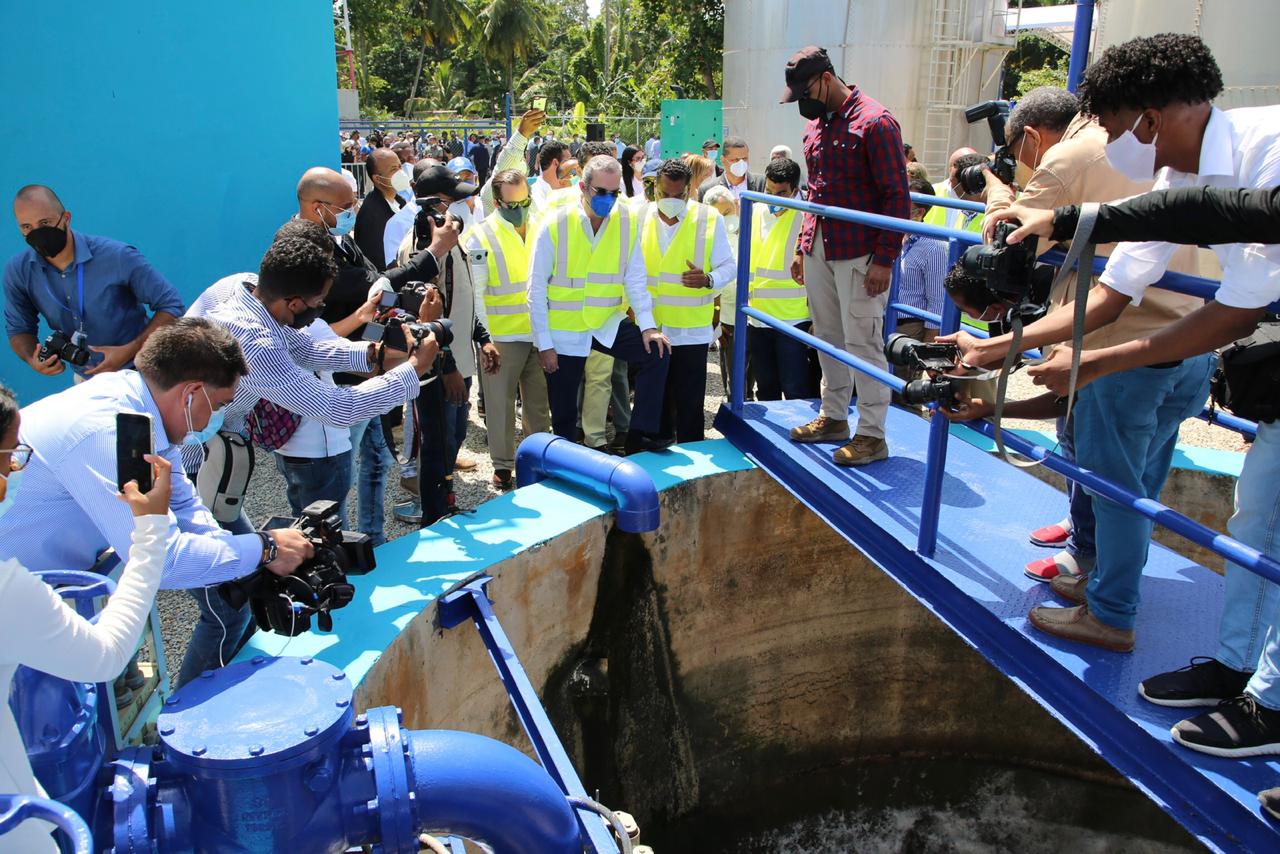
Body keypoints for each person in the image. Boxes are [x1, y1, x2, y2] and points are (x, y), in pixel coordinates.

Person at [973, 37, 1280, 758]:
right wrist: (1065, 228)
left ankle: (1268, 706)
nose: (1107, 148)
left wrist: (1093, 364)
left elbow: (1234, 309)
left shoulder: (1268, 152)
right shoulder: (1200, 167)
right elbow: (1146, 242)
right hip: (1224, 380)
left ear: (1146, 121)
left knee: (1127, 496)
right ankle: (1239, 671)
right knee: (1254, 527)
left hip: (1178, 358)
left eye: (1109, 132)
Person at [0, 319, 316, 688]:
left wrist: (237, 552)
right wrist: (266, 547)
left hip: (59, 576)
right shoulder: (106, 431)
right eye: (219, 405)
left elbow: (183, 501)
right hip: (20, 593)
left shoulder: (138, 406)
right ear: (191, 393)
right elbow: (162, 561)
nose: (218, 416)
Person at [0, 385, 175, 852]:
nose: (13, 472)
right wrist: (151, 533)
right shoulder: (7, 589)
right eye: (10, 459)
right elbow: (103, 656)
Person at [296, 166, 457, 545]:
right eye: (345, 205)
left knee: (377, 461)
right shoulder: (304, 250)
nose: (352, 210)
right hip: (336, 383)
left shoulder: (340, 241)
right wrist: (434, 251)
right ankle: (329, 558)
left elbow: (375, 287)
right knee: (335, 480)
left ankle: (371, 538)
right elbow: (365, 293)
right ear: (318, 207)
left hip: (365, 369)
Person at [780, 45, 910, 466]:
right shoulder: (816, 126)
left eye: (805, 92)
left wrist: (885, 258)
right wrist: (804, 244)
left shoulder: (876, 122)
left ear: (826, 78)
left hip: (860, 252)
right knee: (827, 337)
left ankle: (872, 434)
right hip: (821, 246)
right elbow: (814, 193)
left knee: (864, 343)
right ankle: (834, 416)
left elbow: (896, 195)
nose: (803, 102)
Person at [528, 154, 673, 453]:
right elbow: (536, 288)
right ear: (583, 187)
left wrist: (648, 328)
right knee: (564, 413)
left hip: (606, 322)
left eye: (615, 192)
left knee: (656, 353)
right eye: (601, 192)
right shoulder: (555, 223)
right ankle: (563, 466)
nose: (609, 199)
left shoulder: (625, 221)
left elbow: (635, 277)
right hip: (564, 331)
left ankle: (640, 437)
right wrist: (544, 344)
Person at [6, 185, 185, 380]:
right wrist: (32, 358)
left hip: (145, 371)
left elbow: (171, 305)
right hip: (88, 381)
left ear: (66, 218)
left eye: (45, 222)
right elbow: (19, 328)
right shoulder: (19, 271)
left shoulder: (117, 256)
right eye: (26, 227)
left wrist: (129, 350)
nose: (37, 233)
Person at [466, 170, 552, 489]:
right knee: (500, 403)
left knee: (538, 403)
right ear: (497, 201)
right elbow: (476, 295)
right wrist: (485, 340)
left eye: (525, 201)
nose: (520, 208)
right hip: (502, 337)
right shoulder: (481, 235)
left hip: (539, 333)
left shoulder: (541, 224)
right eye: (513, 203)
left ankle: (538, 458)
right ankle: (502, 465)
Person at [641, 158, 736, 444]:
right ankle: (658, 453)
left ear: (689, 191)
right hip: (653, 327)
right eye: (664, 194)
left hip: (691, 330)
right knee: (655, 399)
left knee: (690, 402)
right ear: (654, 188)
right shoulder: (640, 217)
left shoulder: (708, 218)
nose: (670, 201)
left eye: (677, 195)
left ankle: (692, 454)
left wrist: (708, 279)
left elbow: (729, 267)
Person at [892, 180, 949, 352]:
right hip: (883, 321)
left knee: (901, 378)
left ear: (919, 212)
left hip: (909, 328)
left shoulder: (933, 248)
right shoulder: (893, 237)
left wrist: (928, 348)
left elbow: (938, 303)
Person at [355, 148, 410, 271]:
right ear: (378, 179)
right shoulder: (371, 213)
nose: (400, 172)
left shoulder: (400, 201)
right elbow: (376, 259)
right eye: (393, 169)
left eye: (399, 166)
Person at [923, 153, 986, 235]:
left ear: (969, 182)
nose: (950, 185)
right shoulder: (966, 211)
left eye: (952, 181)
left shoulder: (994, 216)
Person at [697, 136, 765, 203]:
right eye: (736, 159)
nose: (741, 163)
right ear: (723, 160)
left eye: (744, 158)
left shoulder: (762, 183)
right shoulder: (707, 190)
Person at [532, 141, 570, 207]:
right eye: (567, 162)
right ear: (555, 162)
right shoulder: (536, 193)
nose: (570, 165)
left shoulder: (571, 186)